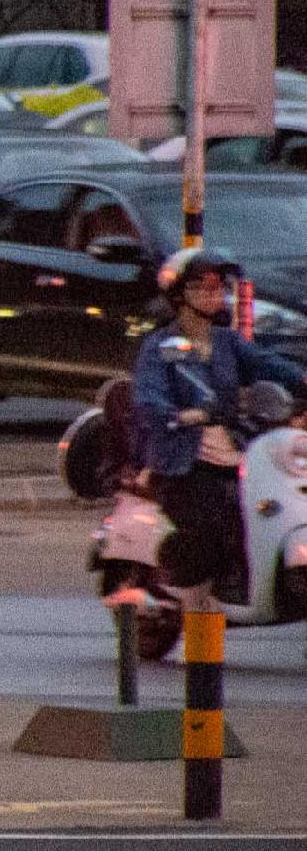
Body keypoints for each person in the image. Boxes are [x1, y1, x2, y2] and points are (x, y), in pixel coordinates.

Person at [125, 249, 307, 608]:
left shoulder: (228, 342)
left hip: (232, 450)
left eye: (219, 286)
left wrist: (302, 380)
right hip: (184, 459)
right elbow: (149, 399)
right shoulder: (160, 347)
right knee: (207, 531)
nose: (214, 293)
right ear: (178, 294)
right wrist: (184, 416)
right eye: (203, 286)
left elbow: (268, 365)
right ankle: (194, 605)